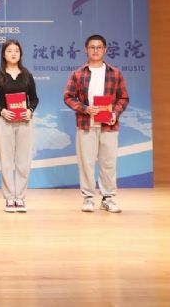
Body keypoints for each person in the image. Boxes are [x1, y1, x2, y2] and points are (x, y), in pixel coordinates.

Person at [64, 34, 130, 213]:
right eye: (92, 47)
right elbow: (68, 97)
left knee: (108, 162)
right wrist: (85, 108)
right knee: (86, 162)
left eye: (99, 47)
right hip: (86, 123)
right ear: (86, 50)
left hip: (109, 124)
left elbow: (123, 98)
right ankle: (88, 198)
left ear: (105, 50)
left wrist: (115, 113)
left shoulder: (115, 73)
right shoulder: (78, 73)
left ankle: (108, 198)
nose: (95, 50)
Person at [0, 39, 39, 213]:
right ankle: (9, 198)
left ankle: (20, 197)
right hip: (5, 122)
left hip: (24, 122)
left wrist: (30, 110)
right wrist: (1, 111)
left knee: (23, 161)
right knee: (7, 161)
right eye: (9, 51)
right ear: (3, 54)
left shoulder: (27, 75)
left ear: (20, 54)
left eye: (16, 51)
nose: (13, 53)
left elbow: (34, 99)